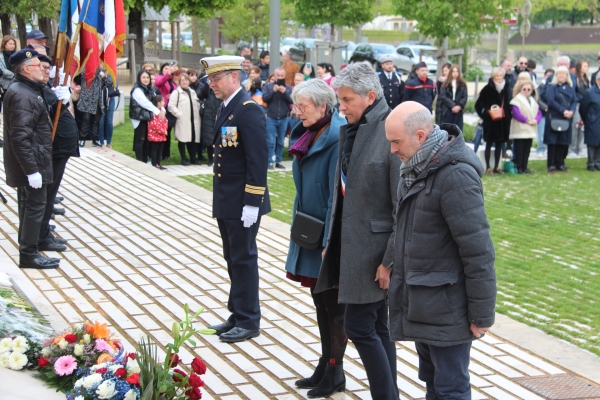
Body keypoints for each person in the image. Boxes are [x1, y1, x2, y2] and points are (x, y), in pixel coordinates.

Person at [385, 101, 496, 400]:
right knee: (434, 384)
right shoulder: (413, 169)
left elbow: (478, 251)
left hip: (448, 309)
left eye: (396, 141)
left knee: (451, 389)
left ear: (420, 136)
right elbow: (404, 229)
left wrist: (482, 314)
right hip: (423, 302)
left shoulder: (455, 176)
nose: (392, 150)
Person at [315, 62, 401, 400]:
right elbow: (342, 194)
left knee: (360, 326)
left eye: (347, 99)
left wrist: (390, 261)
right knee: (377, 327)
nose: (342, 106)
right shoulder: (351, 128)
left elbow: (401, 207)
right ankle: (389, 393)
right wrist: (329, 242)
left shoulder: (390, 129)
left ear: (369, 96)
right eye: (340, 99)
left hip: (375, 255)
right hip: (351, 249)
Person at [200, 55, 271, 343]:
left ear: (233, 76)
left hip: (243, 203)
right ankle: (238, 313)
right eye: (210, 80)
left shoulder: (247, 110)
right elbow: (230, 151)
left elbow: (257, 161)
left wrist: (252, 203)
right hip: (228, 200)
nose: (211, 85)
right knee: (233, 258)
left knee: (243, 259)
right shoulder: (227, 108)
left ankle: (249, 319)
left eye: (216, 79)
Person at [285, 79, 348, 398]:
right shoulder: (309, 131)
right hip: (308, 229)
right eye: (296, 105)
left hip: (326, 234)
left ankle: (336, 371)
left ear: (324, 106)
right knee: (319, 301)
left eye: (303, 106)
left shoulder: (336, 135)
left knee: (334, 304)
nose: (298, 112)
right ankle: (326, 363)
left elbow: (335, 197)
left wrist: (328, 241)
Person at [3, 49, 60, 269]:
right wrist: (31, 170)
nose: (44, 69)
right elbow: (19, 137)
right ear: (27, 69)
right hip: (31, 162)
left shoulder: (27, 89)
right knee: (34, 207)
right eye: (39, 65)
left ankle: (28, 248)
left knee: (30, 206)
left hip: (33, 159)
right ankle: (28, 253)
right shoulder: (23, 94)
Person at [36, 50, 78, 252]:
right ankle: (40, 236)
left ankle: (43, 232)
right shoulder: (36, 89)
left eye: (48, 68)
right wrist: (55, 97)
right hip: (51, 148)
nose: (47, 71)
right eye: (43, 68)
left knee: (49, 196)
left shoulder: (44, 87)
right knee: (45, 195)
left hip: (59, 148)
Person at [475, 67, 512, 175]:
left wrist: (508, 116)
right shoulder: (487, 89)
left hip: (503, 121)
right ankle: (488, 167)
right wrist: (485, 115)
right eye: (497, 76)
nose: (499, 78)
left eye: (501, 76)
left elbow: (508, 104)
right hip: (490, 122)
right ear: (493, 77)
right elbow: (478, 105)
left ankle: (497, 167)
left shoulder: (506, 88)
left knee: (500, 144)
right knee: (489, 143)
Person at [544, 66, 577, 173]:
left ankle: (560, 163)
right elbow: (551, 101)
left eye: (563, 74)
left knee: (563, 141)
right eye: (559, 73)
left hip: (567, 118)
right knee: (553, 142)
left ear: (567, 76)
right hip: (554, 116)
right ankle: (551, 164)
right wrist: (563, 111)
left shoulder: (570, 87)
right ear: (556, 75)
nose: (561, 75)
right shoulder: (551, 87)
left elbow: (574, 101)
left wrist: (571, 111)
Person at [130, 70, 164, 163]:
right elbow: (145, 103)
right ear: (139, 78)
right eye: (143, 77)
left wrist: (163, 110)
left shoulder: (150, 89)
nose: (146, 79)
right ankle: (139, 160)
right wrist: (157, 112)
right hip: (139, 117)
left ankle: (144, 160)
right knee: (140, 139)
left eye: (147, 77)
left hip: (147, 117)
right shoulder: (137, 89)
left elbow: (157, 100)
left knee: (146, 140)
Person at [262, 67, 293, 170]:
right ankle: (270, 161)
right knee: (270, 141)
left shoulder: (288, 87)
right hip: (271, 117)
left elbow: (291, 101)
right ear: (274, 76)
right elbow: (265, 99)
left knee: (280, 141)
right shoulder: (268, 86)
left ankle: (278, 161)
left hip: (284, 118)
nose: (279, 77)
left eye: (281, 76)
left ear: (284, 76)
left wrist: (285, 92)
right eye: (278, 75)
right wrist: (273, 91)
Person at [168, 73, 201, 166]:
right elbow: (171, 106)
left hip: (194, 120)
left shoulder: (193, 92)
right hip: (183, 120)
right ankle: (184, 158)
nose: (184, 82)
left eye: (186, 80)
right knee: (182, 139)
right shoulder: (176, 93)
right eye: (182, 80)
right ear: (179, 82)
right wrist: (179, 115)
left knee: (194, 139)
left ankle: (193, 157)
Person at [509, 80, 541, 174]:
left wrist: (536, 120)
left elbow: (539, 113)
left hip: (530, 128)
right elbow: (516, 113)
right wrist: (527, 120)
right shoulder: (516, 100)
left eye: (529, 89)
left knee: (527, 149)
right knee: (519, 149)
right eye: (524, 89)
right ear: (520, 89)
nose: (526, 91)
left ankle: (524, 166)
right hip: (520, 128)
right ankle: (519, 167)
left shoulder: (533, 100)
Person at [77, 66, 112, 147]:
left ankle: (95, 139)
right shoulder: (86, 67)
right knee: (86, 119)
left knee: (96, 120)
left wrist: (104, 76)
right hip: (88, 98)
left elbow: (109, 82)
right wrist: (97, 72)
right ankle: (82, 139)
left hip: (99, 99)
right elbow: (84, 76)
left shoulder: (104, 70)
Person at [155, 62, 178, 160]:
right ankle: (159, 153)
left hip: (170, 109)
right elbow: (159, 83)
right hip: (162, 109)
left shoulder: (172, 82)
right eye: (165, 68)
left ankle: (166, 153)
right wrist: (168, 73)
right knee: (161, 131)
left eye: (169, 69)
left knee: (168, 131)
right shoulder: (160, 78)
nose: (168, 70)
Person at [580, 74, 600, 171]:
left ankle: (598, 162)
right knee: (592, 143)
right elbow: (583, 108)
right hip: (593, 120)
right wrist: (587, 119)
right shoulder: (590, 92)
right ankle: (591, 163)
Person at [199, 82, 222, 167]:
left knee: (227, 139)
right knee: (209, 139)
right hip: (209, 116)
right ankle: (211, 159)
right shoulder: (208, 89)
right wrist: (207, 85)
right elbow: (200, 95)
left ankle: (225, 159)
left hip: (223, 116)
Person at [438, 64, 468, 131]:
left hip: (458, 111)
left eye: (456, 71)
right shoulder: (445, 84)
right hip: (448, 109)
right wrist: (453, 105)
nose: (455, 73)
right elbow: (443, 96)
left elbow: (465, 96)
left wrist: (459, 106)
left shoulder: (463, 84)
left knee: (458, 130)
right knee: (448, 131)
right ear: (451, 72)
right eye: (453, 71)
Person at [570, 60, 589, 156]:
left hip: (584, 105)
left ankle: (579, 148)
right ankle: (572, 148)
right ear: (580, 67)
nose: (586, 68)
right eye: (585, 66)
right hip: (577, 104)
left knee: (582, 127)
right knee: (575, 125)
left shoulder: (586, 79)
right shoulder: (575, 78)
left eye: (587, 66)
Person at [148, 95, 168, 170]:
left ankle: (158, 163)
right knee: (155, 150)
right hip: (155, 135)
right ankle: (154, 163)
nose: (164, 102)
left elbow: (165, 121)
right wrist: (163, 131)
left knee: (160, 150)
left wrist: (165, 129)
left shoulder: (162, 111)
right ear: (158, 103)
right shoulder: (153, 113)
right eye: (163, 101)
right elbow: (154, 124)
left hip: (161, 135)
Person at [536, 68, 554, 158]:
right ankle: (540, 149)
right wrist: (545, 107)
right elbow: (538, 98)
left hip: (552, 113)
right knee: (541, 133)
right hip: (542, 113)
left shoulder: (554, 86)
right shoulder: (541, 86)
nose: (548, 77)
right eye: (547, 75)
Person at [0, 35, 18, 106]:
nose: (12, 46)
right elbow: (2, 70)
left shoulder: (17, 55)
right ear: (4, 44)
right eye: (10, 44)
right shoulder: (1, 56)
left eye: (14, 44)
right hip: (5, 84)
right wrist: (14, 75)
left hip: (16, 83)